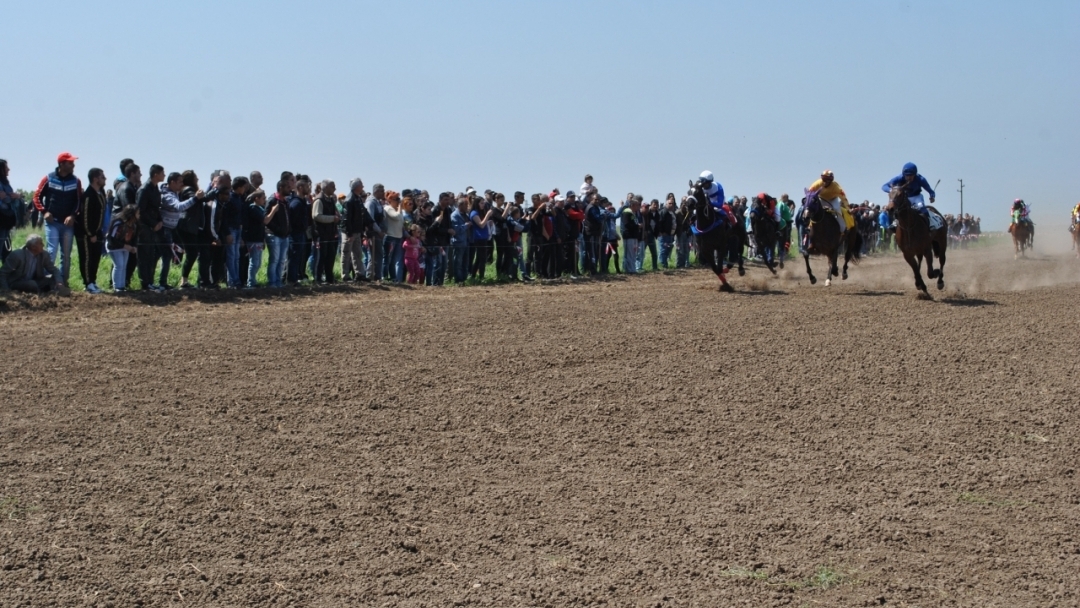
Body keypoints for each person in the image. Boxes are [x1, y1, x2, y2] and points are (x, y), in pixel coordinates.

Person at [33, 152, 83, 286]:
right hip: (52, 223)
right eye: (70, 163)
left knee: (66, 255)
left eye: (73, 162)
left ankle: (62, 282)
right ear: (62, 164)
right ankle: (45, 282)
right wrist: (44, 212)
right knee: (51, 252)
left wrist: (73, 215)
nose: (73, 165)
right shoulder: (48, 178)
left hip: (68, 224)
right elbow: (36, 197)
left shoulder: (76, 181)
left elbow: (79, 201)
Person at [0, 234, 69, 294]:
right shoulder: (17, 255)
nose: (43, 245)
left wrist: (59, 282)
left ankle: (57, 291)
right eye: (41, 243)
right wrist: (6, 290)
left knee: (57, 278)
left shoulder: (44, 255)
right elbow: (3, 273)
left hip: (35, 281)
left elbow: (54, 270)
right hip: (16, 282)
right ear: (33, 247)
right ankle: (43, 292)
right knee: (32, 284)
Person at [76, 168, 108, 293]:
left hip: (98, 232)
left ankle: (93, 281)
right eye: (102, 177)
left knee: (95, 258)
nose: (104, 179)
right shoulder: (88, 195)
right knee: (87, 258)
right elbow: (85, 217)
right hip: (86, 234)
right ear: (95, 179)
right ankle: (88, 283)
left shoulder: (101, 193)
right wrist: (91, 234)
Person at [341, 179, 371, 281]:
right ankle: (345, 276)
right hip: (349, 232)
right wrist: (349, 233)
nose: (363, 187)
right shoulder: (350, 200)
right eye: (361, 185)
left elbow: (362, 215)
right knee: (346, 254)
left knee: (357, 253)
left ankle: (359, 274)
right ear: (357, 187)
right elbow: (346, 218)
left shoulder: (357, 199)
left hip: (357, 231)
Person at [311, 180, 340, 284]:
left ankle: (329, 278)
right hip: (321, 233)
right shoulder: (319, 200)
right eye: (333, 186)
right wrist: (332, 218)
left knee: (330, 256)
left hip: (330, 233)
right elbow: (316, 216)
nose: (335, 188)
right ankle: (317, 278)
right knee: (321, 257)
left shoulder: (330, 200)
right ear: (326, 187)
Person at [264, 180, 291, 288]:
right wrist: (278, 229)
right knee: (274, 260)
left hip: (284, 236)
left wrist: (288, 230)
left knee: (281, 260)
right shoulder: (272, 200)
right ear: (281, 187)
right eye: (287, 187)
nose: (290, 189)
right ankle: (272, 282)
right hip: (274, 235)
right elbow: (266, 219)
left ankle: (278, 282)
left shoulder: (285, 202)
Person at [104, 206, 138, 292]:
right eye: (138, 213)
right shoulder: (118, 223)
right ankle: (117, 287)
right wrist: (124, 246)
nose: (139, 215)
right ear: (132, 214)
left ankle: (122, 286)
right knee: (119, 265)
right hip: (114, 246)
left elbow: (134, 238)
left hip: (125, 247)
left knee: (124, 265)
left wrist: (134, 247)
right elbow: (111, 239)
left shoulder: (133, 224)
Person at [242, 189, 267, 287]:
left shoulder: (260, 208)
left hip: (259, 238)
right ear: (256, 198)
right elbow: (263, 220)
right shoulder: (253, 209)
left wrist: (263, 239)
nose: (264, 200)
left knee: (258, 262)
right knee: (254, 262)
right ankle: (251, 282)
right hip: (253, 239)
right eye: (263, 198)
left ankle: (253, 281)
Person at [0, 160, 23, 261]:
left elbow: (7, 197)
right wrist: (13, 196)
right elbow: (5, 198)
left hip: (5, 219)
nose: (8, 169)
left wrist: (15, 196)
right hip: (2, 217)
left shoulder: (5, 183)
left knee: (4, 247)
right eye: (6, 167)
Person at [365, 184, 387, 282]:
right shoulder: (371, 202)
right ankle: (370, 276)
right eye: (382, 191)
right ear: (376, 191)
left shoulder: (378, 203)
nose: (383, 193)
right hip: (373, 233)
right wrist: (379, 231)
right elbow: (370, 219)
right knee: (373, 255)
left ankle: (377, 276)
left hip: (379, 233)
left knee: (378, 254)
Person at [621, 196, 643, 274]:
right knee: (629, 253)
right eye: (637, 205)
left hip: (634, 236)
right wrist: (637, 226)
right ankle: (629, 269)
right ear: (633, 205)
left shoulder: (633, 213)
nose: (638, 207)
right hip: (628, 236)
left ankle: (632, 268)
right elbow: (627, 224)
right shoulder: (627, 212)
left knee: (633, 253)